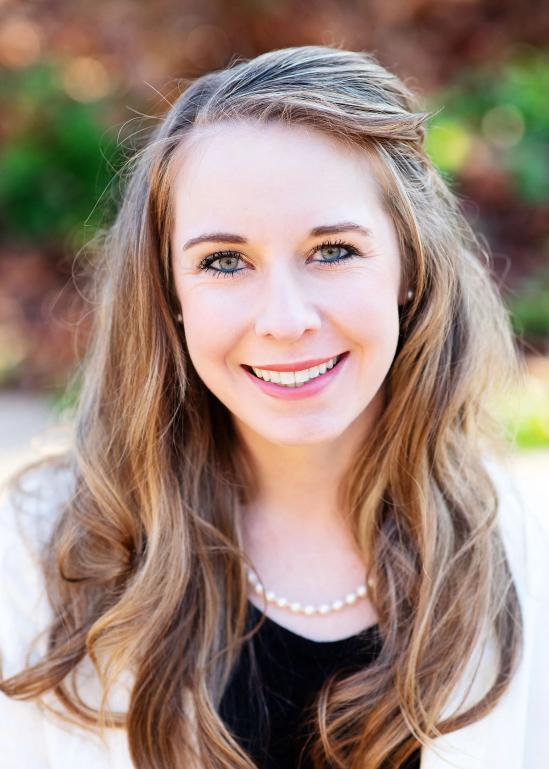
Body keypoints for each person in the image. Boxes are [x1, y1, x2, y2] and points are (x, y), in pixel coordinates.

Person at [0, 45, 547, 769]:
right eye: (224, 261)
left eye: (332, 250)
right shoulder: (32, 557)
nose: (285, 320)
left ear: (409, 268)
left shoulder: (525, 557)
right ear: (170, 297)